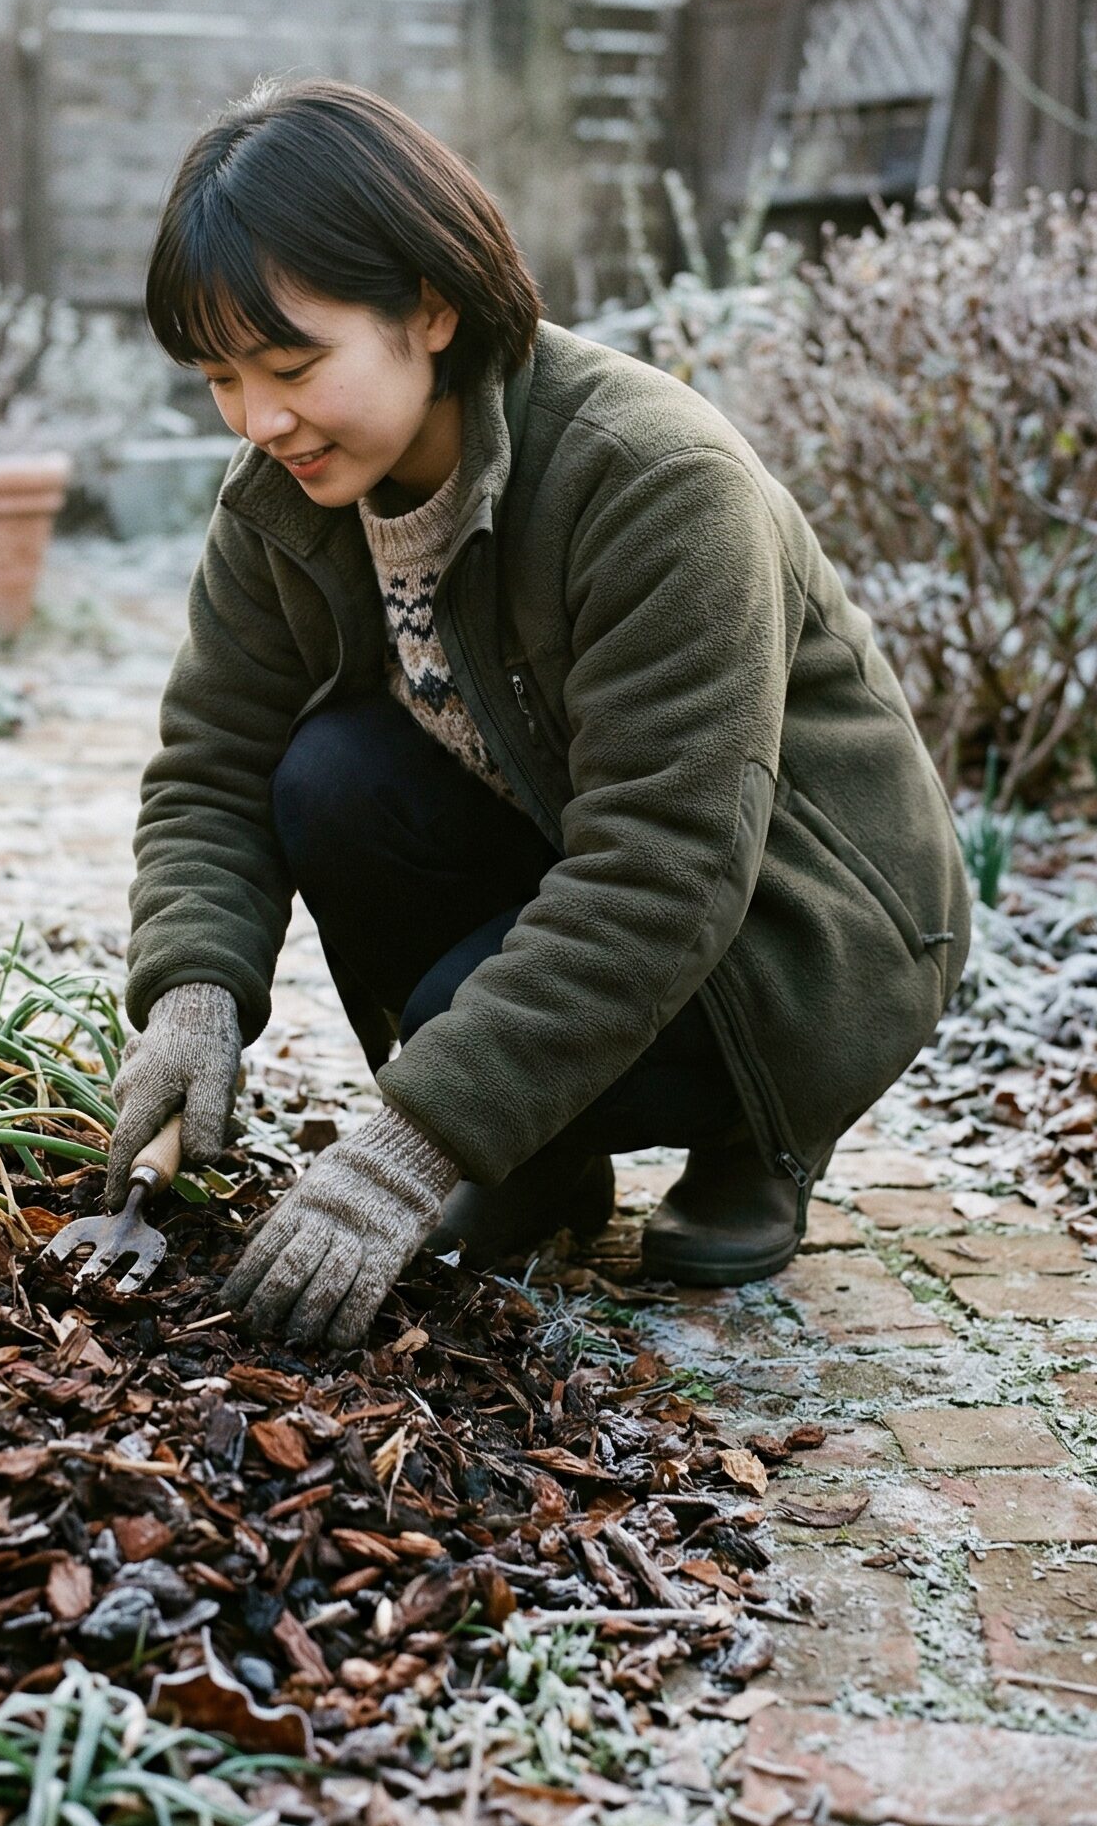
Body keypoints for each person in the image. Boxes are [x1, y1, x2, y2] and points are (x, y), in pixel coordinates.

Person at [105, 78, 970, 1352]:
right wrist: (189, 993)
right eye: (221, 376)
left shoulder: (652, 481)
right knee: (326, 772)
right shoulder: (283, 499)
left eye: (291, 365)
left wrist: (409, 1142)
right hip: (567, 850)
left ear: (431, 306)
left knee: (478, 1008)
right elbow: (211, 767)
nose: (258, 418)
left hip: (792, 929)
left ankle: (755, 1136)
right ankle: (543, 1153)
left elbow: (664, 869)